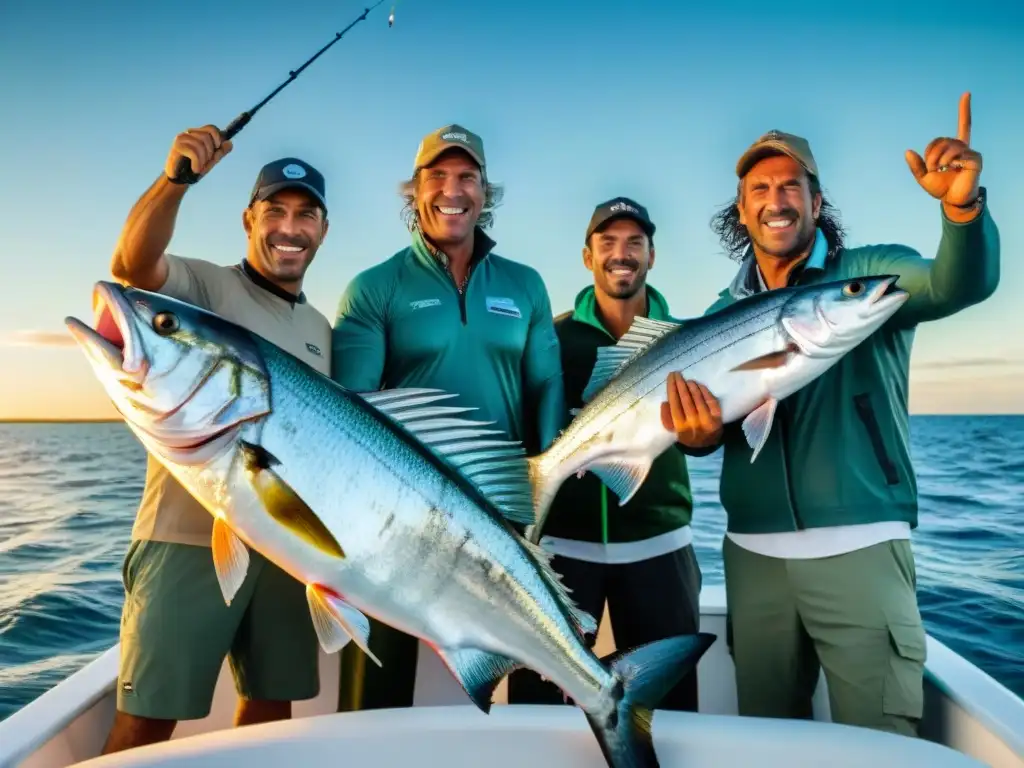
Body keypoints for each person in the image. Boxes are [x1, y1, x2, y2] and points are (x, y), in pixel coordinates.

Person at [703, 92, 999, 736]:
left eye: (791, 186)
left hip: (861, 546)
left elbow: (957, 283)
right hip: (751, 556)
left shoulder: (867, 276)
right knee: (765, 740)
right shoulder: (718, 313)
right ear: (742, 208)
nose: (775, 200)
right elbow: (708, 433)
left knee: (878, 742)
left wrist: (961, 209)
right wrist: (695, 437)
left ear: (816, 200)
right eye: (759, 188)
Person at [102, 124, 334, 753]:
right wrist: (175, 179)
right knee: (150, 717)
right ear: (248, 219)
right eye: (274, 211)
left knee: (271, 703)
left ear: (322, 230)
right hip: (186, 539)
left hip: (288, 547)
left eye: (305, 215)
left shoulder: (320, 327)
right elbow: (131, 266)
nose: (289, 227)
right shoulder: (204, 288)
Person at [330, 123, 566, 710]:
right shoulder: (373, 288)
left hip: (507, 514)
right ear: (415, 190)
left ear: (486, 193)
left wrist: (539, 504)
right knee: (372, 701)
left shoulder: (526, 285)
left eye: (467, 177)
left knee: (536, 687)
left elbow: (547, 386)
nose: (452, 189)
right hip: (395, 523)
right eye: (437, 176)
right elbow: (350, 416)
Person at [505, 197, 723, 711]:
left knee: (667, 708)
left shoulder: (690, 339)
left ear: (652, 256)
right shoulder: (551, 338)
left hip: (660, 549)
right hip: (562, 550)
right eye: (608, 243)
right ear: (587, 257)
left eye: (634, 243)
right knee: (538, 705)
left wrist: (704, 436)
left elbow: (710, 436)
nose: (620, 254)